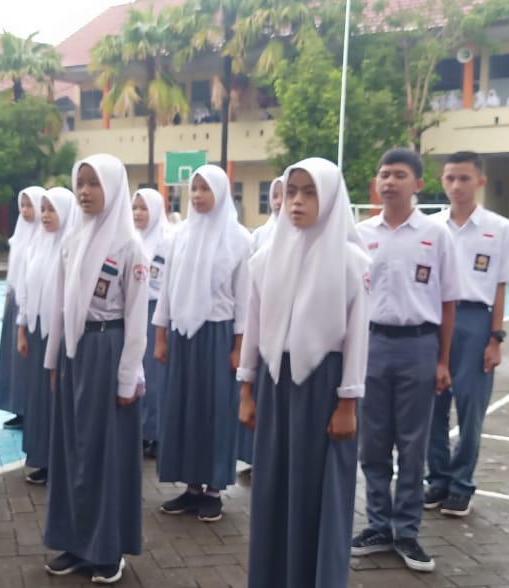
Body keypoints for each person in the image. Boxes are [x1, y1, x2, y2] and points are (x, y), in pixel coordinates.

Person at [240, 158, 370, 588]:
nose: (296, 201)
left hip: (325, 388)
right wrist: (247, 390)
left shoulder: (351, 262)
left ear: (330, 198)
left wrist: (347, 403)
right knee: (273, 486)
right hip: (276, 384)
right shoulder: (265, 258)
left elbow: (357, 338)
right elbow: (254, 327)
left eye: (310, 192)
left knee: (318, 491)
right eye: (292, 191)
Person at [351, 148, 459, 573]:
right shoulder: (360, 234)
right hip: (372, 344)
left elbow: (448, 300)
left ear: (418, 184)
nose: (389, 181)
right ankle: (378, 525)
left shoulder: (436, 234)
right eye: (384, 174)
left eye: (399, 175)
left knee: (413, 444)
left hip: (419, 345)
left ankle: (407, 530)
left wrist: (442, 361)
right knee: (373, 442)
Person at [42, 154, 148, 584]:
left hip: (109, 351)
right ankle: (73, 540)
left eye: (94, 183)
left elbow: (137, 318)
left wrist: (127, 377)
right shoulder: (72, 240)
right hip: (76, 352)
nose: (84, 192)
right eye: (80, 183)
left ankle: (107, 550)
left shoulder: (129, 247)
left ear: (114, 187)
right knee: (72, 451)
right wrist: (54, 359)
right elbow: (60, 305)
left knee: (105, 455)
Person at [424, 152, 509, 517]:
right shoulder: (430, 227)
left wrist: (495, 337)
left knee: (470, 410)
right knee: (432, 407)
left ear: (480, 181)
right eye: (450, 178)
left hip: (474, 321)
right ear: (442, 181)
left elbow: (499, 286)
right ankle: (437, 478)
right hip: (434, 319)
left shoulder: (499, 228)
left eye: (464, 178)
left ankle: (461, 483)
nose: (456, 185)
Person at [153, 164, 252, 523]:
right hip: (183, 335)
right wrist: (161, 335)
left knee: (215, 412)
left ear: (221, 193)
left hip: (218, 335)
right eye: (193, 189)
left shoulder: (239, 239)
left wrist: (239, 348)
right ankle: (192, 486)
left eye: (205, 188)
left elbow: (244, 301)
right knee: (183, 410)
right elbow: (166, 290)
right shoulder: (179, 235)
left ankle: (213, 490)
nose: (196, 195)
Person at [16, 186, 79, 485]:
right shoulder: (36, 245)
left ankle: (62, 462)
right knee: (39, 400)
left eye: (51, 209)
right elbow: (25, 291)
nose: (45, 215)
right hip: (37, 333)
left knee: (59, 400)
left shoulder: (72, 248)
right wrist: (22, 330)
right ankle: (43, 458)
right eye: (43, 209)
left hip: (62, 337)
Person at [0, 186, 45, 429]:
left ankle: (32, 408)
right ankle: (18, 407)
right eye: (22, 206)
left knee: (29, 360)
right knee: (15, 361)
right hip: (15, 302)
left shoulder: (45, 237)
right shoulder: (19, 236)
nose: (26, 211)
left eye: (30, 205)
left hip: (34, 305)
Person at [133, 187, 169, 459]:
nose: (137, 213)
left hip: (155, 312)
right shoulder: (131, 239)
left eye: (144, 208)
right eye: (134, 208)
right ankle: (140, 430)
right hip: (134, 310)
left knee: (154, 376)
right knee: (135, 372)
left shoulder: (166, 241)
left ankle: (156, 434)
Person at [251, 177, 284, 249]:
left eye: (284, 196)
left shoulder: (299, 234)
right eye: (275, 196)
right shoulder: (259, 234)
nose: (278, 201)